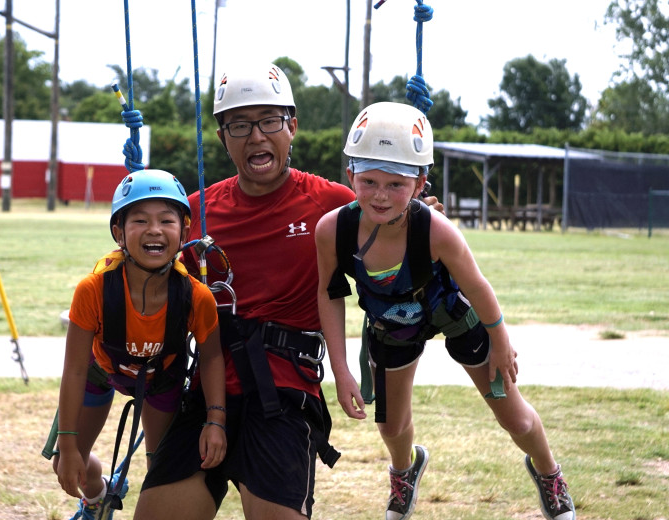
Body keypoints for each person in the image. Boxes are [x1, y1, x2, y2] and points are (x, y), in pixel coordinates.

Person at [116, 63, 357, 520]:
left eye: (270, 121)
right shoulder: (192, 215)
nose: (256, 136)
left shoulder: (331, 204)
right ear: (223, 137)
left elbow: (387, 240)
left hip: (283, 393)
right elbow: (139, 280)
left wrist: (416, 220)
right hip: (209, 393)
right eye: (240, 125)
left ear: (292, 128)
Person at [315, 101, 575, 520]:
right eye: (369, 181)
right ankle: (406, 469)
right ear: (350, 177)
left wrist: (501, 343)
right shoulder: (332, 229)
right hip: (391, 325)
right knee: (391, 428)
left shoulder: (439, 232)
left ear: (419, 185)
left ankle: (549, 473)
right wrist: (341, 370)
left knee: (515, 418)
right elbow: (329, 294)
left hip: (454, 314)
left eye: (396, 184)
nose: (381, 195)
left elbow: (478, 287)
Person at [53, 169, 226, 519]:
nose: (154, 230)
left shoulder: (196, 297)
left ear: (183, 232)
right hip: (101, 372)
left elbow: (211, 359)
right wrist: (69, 442)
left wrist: (215, 420)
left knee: (161, 470)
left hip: (161, 380)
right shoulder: (94, 290)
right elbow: (74, 368)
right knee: (65, 462)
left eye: (166, 220)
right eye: (140, 220)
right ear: (119, 232)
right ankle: (97, 497)